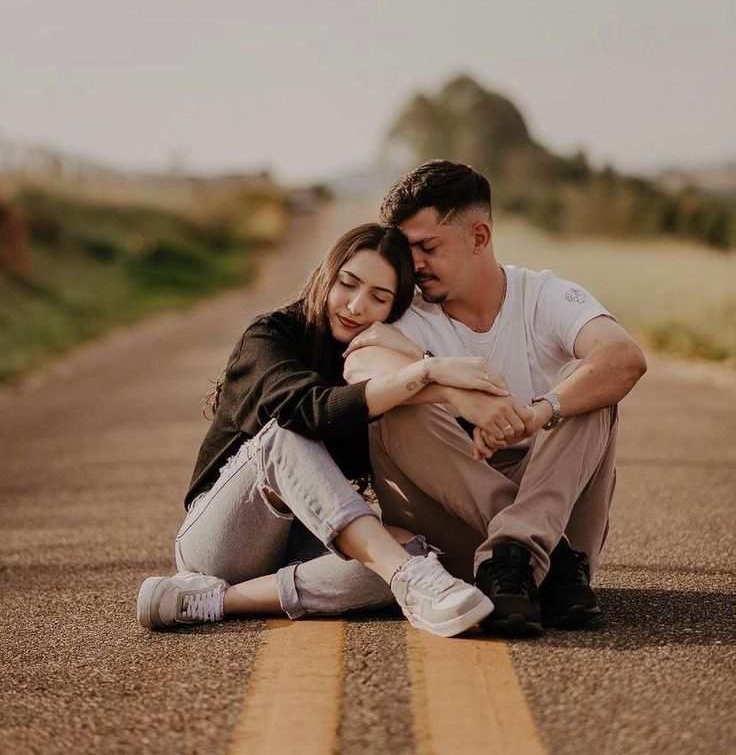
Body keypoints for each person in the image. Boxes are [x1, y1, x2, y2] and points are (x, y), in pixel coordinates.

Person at [137, 223, 508, 637]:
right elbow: (308, 411)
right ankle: (408, 579)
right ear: (326, 275)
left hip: (309, 541)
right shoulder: (270, 335)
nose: (355, 306)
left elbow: (452, 437)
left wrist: (411, 354)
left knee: (412, 545)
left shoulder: (374, 358)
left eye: (379, 298)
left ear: (393, 311)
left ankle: (211, 600)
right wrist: (426, 370)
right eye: (348, 284)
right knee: (285, 434)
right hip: (222, 540)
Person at [344, 161, 647, 636]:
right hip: (465, 537)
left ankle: (517, 555)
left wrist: (536, 413)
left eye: (428, 247)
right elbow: (359, 368)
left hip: (553, 511)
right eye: (408, 250)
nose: (415, 264)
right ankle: (529, 556)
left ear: (479, 237)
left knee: (591, 395)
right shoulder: (406, 311)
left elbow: (624, 357)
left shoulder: (542, 294)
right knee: (396, 405)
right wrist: (445, 385)